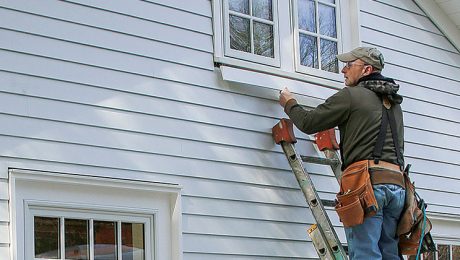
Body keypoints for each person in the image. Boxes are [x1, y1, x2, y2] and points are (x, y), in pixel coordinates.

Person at [279, 47, 406, 259]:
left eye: (349, 65)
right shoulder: (394, 104)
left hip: (367, 185)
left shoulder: (351, 95)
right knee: (389, 254)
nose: (343, 70)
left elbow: (309, 123)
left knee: (365, 253)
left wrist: (289, 103)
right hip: (397, 187)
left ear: (366, 69)